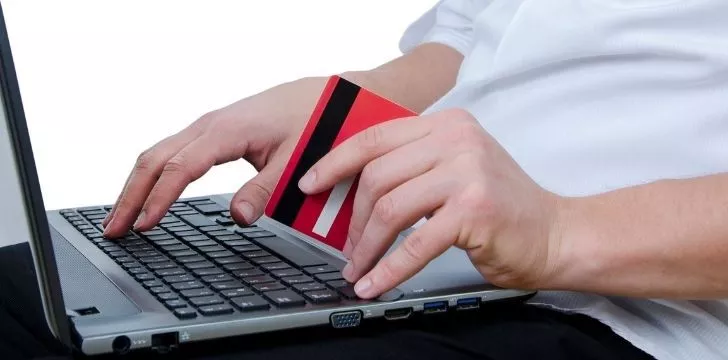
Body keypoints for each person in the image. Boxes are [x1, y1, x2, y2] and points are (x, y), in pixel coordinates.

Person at [3, 1, 728, 359]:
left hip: (622, 316)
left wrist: (560, 231)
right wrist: (339, 105)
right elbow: (477, 39)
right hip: (409, 254)